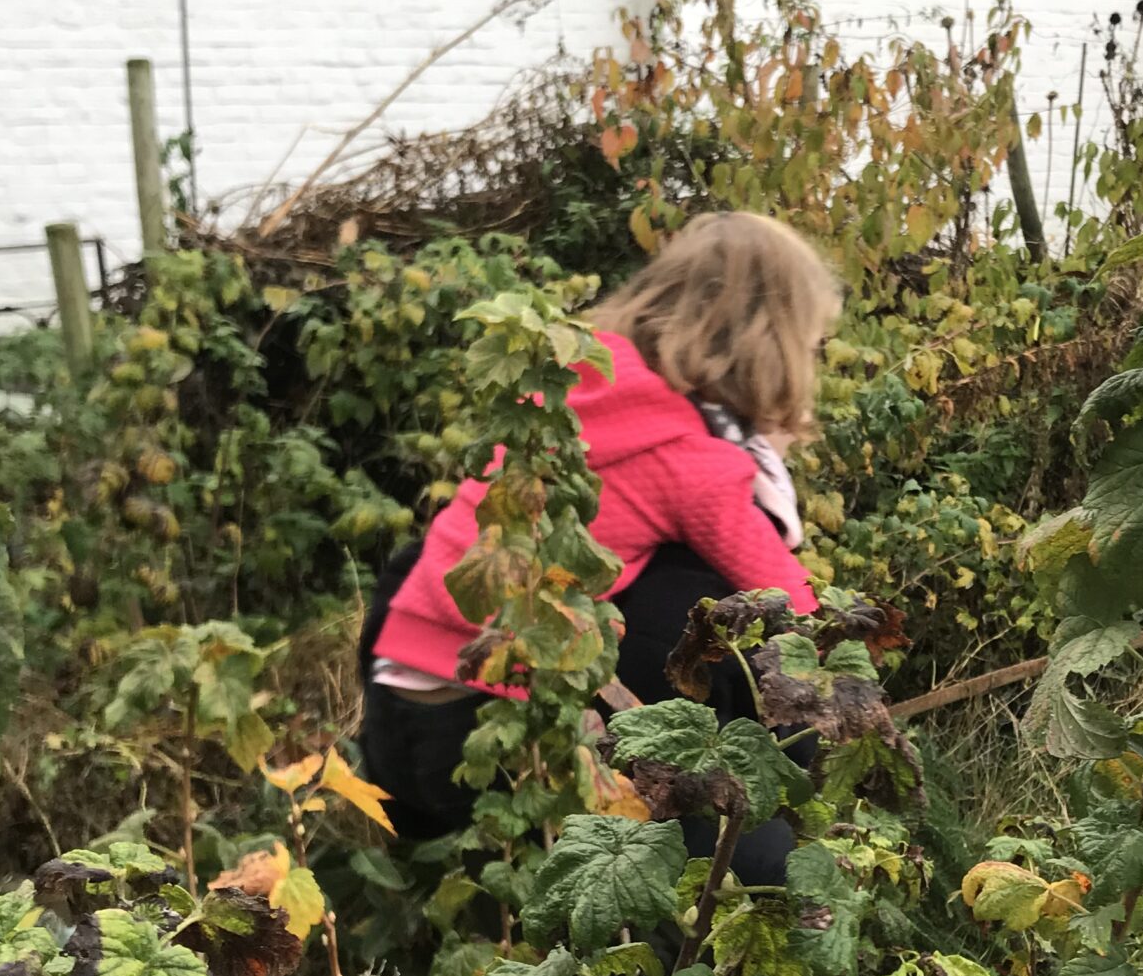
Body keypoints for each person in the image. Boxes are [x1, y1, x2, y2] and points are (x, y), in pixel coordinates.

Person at [358, 209, 840, 859]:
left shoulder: (572, 393)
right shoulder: (693, 459)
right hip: (493, 731)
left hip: (398, 709)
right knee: (713, 622)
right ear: (774, 346)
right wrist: (764, 460)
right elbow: (784, 604)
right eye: (813, 347)